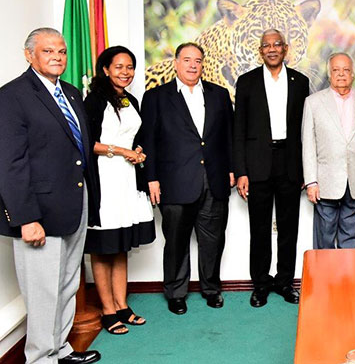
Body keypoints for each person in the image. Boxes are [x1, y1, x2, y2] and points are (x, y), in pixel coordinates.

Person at [0, 28, 101, 364]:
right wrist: (26, 218)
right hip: (38, 211)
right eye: (48, 51)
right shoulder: (12, 96)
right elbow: (10, 163)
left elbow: (79, 150)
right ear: (29, 55)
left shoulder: (71, 93)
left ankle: (60, 348)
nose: (57, 57)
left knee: (69, 283)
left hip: (75, 202)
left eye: (62, 51)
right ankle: (41, 358)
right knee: (42, 291)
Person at [139, 42, 234, 315]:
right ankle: (176, 292)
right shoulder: (156, 97)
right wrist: (152, 178)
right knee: (177, 241)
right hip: (174, 181)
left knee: (213, 239)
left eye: (198, 61)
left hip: (213, 180)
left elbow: (228, 135)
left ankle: (211, 289)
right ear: (176, 63)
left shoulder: (219, 95)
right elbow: (149, 141)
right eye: (187, 60)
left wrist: (231, 169)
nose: (193, 65)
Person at [233, 29, 310, 307]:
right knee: (260, 228)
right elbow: (238, 129)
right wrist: (241, 171)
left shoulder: (300, 82)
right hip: (257, 166)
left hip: (290, 164)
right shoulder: (247, 82)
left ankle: (286, 282)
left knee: (289, 228)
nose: (272, 49)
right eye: (266, 45)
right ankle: (261, 284)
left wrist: (306, 171)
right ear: (260, 51)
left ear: (286, 49)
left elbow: (306, 130)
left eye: (277, 44)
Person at [83, 46, 155, 334]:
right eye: (119, 67)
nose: (125, 72)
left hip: (127, 180)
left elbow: (134, 135)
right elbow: (87, 143)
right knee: (103, 248)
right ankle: (107, 310)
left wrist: (136, 150)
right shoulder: (94, 100)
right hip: (104, 179)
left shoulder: (130, 99)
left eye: (130, 67)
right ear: (105, 69)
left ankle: (122, 305)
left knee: (121, 244)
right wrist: (121, 150)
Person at [302, 52, 355, 249]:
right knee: (325, 239)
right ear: (329, 74)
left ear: (353, 74)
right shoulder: (313, 103)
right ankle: (324, 279)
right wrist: (311, 181)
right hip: (325, 182)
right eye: (336, 70)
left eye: (346, 70)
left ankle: (349, 279)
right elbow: (308, 144)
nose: (341, 74)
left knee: (351, 239)